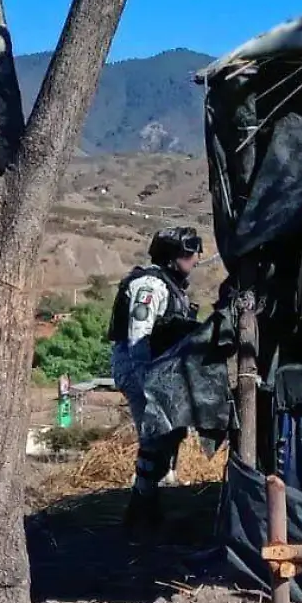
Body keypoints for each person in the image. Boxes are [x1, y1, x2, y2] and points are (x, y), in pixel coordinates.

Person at [108, 226, 204, 534]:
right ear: (172, 257)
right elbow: (139, 337)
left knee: (170, 434)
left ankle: (148, 504)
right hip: (141, 368)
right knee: (153, 437)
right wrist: (147, 382)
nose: (196, 259)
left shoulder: (170, 286)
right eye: (189, 254)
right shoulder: (149, 286)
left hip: (159, 370)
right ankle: (141, 510)